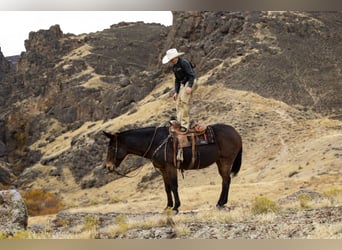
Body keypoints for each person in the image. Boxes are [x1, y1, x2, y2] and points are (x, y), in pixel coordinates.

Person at [162, 48, 196, 132]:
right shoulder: (174, 67)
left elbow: (192, 75)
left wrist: (189, 86)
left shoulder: (184, 63)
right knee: (178, 102)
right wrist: (176, 92)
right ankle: (179, 121)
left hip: (190, 82)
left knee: (184, 102)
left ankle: (185, 125)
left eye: (171, 59)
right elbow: (177, 80)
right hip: (184, 84)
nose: (171, 60)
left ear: (175, 57)